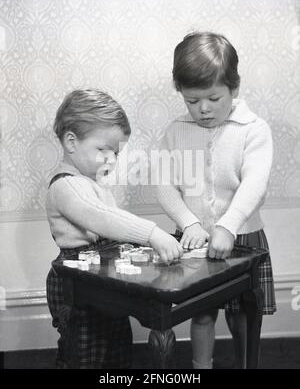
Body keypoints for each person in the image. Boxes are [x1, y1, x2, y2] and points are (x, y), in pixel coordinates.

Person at [156, 31, 276, 369]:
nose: (203, 109)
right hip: (193, 240)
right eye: (192, 101)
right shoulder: (175, 131)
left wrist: (227, 225)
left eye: (213, 98)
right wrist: (188, 222)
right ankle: (200, 368)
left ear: (234, 89)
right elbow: (164, 186)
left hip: (243, 237)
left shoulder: (253, 129)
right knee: (202, 313)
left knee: (242, 317)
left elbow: (254, 183)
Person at [46, 88, 183, 369]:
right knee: (85, 351)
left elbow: (113, 225)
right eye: (103, 150)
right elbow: (103, 218)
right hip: (77, 279)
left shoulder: (92, 183)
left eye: (116, 153)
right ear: (71, 141)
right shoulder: (65, 186)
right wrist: (152, 233)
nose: (111, 160)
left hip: (103, 275)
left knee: (117, 345)